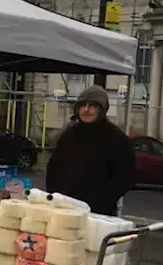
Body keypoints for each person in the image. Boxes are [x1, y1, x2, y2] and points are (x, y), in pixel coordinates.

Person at [45, 85, 136, 216]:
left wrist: (101, 201)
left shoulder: (116, 138)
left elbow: (125, 178)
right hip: (65, 208)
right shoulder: (69, 135)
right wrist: (55, 195)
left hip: (98, 213)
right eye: (82, 106)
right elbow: (54, 168)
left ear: (102, 109)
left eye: (92, 106)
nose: (86, 110)